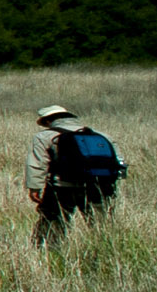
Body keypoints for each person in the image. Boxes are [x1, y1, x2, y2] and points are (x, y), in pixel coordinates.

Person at [28, 103, 128, 247]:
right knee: (102, 226)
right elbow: (119, 162)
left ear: (48, 120)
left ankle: (49, 251)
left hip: (62, 187)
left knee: (53, 225)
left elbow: (38, 164)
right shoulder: (101, 135)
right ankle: (106, 252)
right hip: (99, 186)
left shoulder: (44, 136)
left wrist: (34, 187)